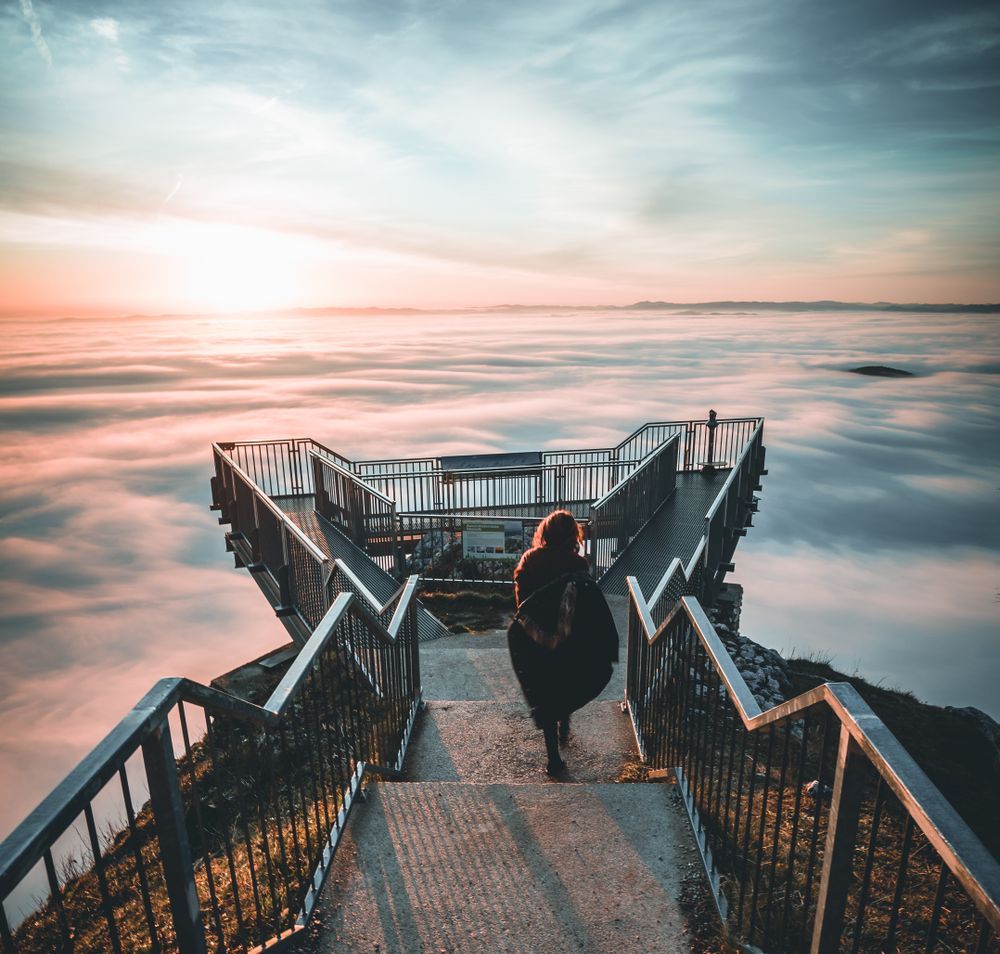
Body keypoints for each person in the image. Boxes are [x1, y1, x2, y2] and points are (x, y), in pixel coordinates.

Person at [508, 509, 619, 777]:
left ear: (544, 533)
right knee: (566, 680)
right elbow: (587, 608)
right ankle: (564, 718)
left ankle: (553, 759)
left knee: (545, 689)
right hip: (568, 639)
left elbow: (521, 603)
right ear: (573, 536)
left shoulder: (529, 560)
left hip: (534, 639)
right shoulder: (578, 566)